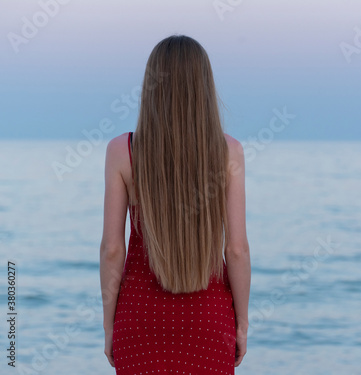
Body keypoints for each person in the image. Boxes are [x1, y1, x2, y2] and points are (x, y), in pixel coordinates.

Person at [99, 35, 251, 374]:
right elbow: (237, 249)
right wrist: (241, 323)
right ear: (204, 87)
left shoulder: (122, 151)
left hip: (138, 322)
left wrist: (109, 325)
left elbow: (112, 249)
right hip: (208, 323)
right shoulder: (229, 153)